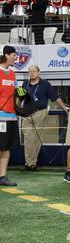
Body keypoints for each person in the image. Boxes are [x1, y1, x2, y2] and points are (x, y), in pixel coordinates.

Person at [21, 65, 68, 171]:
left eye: (34, 71)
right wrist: (16, 108)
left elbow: (55, 98)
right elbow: (19, 98)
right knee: (28, 138)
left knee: (36, 138)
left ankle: (31, 163)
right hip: (26, 114)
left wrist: (65, 108)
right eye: (30, 71)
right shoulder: (25, 84)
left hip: (40, 113)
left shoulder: (45, 84)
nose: (32, 73)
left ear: (38, 72)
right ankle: (30, 162)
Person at [0, 46, 19, 186]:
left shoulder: (13, 74)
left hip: (11, 116)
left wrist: (25, 96)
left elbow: (18, 92)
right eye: (13, 55)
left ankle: (2, 177)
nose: (15, 57)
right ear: (6, 55)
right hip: (0, 116)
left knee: (7, 148)